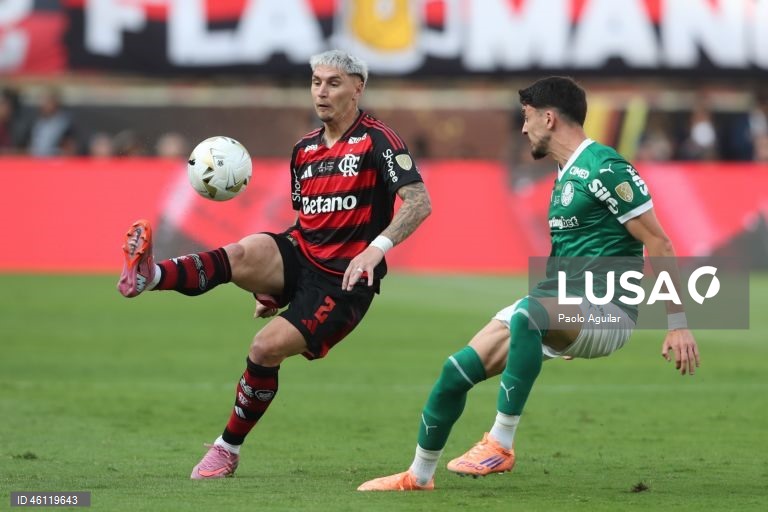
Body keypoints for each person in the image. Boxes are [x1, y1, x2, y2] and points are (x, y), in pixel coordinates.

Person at [357, 76, 700, 492]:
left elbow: (659, 241)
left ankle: (500, 444)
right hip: (566, 310)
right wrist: (564, 327)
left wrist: (678, 322)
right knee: (455, 371)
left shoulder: (606, 169)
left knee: (528, 313)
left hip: (610, 312)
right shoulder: (564, 176)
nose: (523, 128)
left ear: (550, 118)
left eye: (527, 117)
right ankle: (418, 477)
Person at [117, 50, 432, 479]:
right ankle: (149, 275)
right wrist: (273, 284)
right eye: (316, 81)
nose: (321, 91)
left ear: (358, 88)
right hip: (301, 254)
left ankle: (227, 449)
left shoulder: (379, 141)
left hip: (344, 281)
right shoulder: (303, 150)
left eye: (333, 83)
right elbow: (307, 222)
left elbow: (419, 203)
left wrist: (376, 248)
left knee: (264, 349)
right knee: (242, 252)